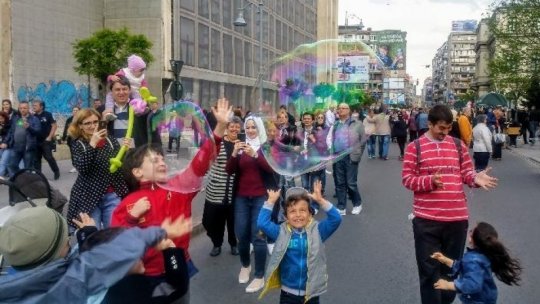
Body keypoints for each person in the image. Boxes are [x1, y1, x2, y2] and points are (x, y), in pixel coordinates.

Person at [111, 98, 231, 303]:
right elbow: (118, 244)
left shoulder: (178, 187)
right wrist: (131, 218)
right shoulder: (128, 205)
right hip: (146, 276)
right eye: (153, 159)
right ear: (137, 172)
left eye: (161, 158)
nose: (161, 161)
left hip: (179, 265)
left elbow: (201, 162)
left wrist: (219, 127)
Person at [402, 104, 498, 304]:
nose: (445, 133)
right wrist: (429, 182)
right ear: (430, 124)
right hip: (426, 221)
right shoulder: (415, 147)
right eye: (441, 128)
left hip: (456, 219)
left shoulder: (457, 145)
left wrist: (475, 179)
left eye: (448, 128)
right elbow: (407, 179)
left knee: (450, 271)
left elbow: (466, 173)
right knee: (429, 272)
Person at [0, 207, 190, 303]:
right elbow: (174, 288)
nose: (69, 241)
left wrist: (89, 234)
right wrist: (171, 251)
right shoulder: (127, 290)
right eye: (65, 241)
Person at [257, 181, 342, 304]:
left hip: (312, 293)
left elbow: (336, 219)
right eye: (292, 211)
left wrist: (321, 201)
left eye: (302, 210)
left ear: (310, 213)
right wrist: (270, 202)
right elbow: (262, 223)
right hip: (288, 293)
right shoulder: (281, 232)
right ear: (286, 216)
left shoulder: (318, 231)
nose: (297, 215)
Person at [226, 115, 274, 293]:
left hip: (261, 196)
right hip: (241, 197)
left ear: (259, 128)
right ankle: (245, 265)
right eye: (248, 127)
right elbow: (229, 171)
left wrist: (255, 155)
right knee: (241, 235)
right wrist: (233, 153)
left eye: (254, 127)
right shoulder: (239, 145)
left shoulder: (266, 146)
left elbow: (271, 168)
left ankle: (259, 276)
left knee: (258, 237)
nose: (250, 130)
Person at [65, 108, 130, 231]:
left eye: (95, 122)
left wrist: (125, 150)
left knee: (113, 232)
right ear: (80, 126)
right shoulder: (79, 144)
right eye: (87, 123)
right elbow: (82, 167)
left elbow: (119, 164)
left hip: (111, 194)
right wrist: (92, 144)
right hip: (89, 196)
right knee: (94, 234)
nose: (92, 126)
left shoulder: (110, 140)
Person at [431, 222, 522, 304]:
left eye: (471, 232)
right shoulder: (483, 255)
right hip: (486, 298)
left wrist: (448, 285)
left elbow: (473, 285)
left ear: (473, 239)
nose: (469, 232)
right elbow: (464, 267)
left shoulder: (472, 259)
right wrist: (446, 260)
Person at [202, 116, 243, 257]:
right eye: (232, 125)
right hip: (215, 189)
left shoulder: (242, 145)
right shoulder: (218, 143)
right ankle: (216, 243)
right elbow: (207, 158)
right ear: (227, 127)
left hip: (235, 191)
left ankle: (233, 243)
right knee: (212, 221)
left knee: (233, 221)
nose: (234, 128)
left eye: (237, 126)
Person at [327, 103, 365, 216]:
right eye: (339, 108)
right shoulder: (336, 124)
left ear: (349, 111)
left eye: (344, 108)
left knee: (351, 183)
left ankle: (357, 203)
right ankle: (341, 206)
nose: (341, 110)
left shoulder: (357, 124)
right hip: (338, 157)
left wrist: (357, 155)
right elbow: (332, 140)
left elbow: (363, 141)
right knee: (339, 183)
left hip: (350, 157)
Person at [105, 75, 149, 147]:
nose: (121, 92)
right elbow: (98, 133)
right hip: (113, 154)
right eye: (117, 89)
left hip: (136, 154)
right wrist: (103, 121)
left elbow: (152, 131)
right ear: (111, 92)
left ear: (130, 90)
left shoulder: (138, 108)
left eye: (124, 89)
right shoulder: (105, 110)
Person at [103, 54, 147, 119]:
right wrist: (111, 77)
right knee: (109, 96)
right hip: (126, 89)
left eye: (143, 70)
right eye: (140, 70)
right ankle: (109, 111)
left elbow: (144, 86)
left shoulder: (141, 77)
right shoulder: (124, 72)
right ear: (133, 70)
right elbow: (113, 79)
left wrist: (145, 92)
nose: (142, 73)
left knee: (138, 97)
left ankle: (139, 109)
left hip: (133, 91)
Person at [6, 101, 41, 176]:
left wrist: (29, 127)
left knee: (28, 168)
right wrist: (6, 142)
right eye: (21, 108)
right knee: (11, 165)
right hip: (16, 147)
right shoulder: (16, 118)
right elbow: (11, 131)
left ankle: (27, 184)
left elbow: (38, 132)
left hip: (28, 148)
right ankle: (17, 181)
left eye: (25, 108)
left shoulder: (34, 119)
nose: (22, 110)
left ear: (28, 108)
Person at [62, 106, 80, 173]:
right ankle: (75, 166)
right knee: (73, 153)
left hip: (79, 138)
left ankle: (80, 166)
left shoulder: (81, 119)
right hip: (71, 139)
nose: (75, 112)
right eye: (74, 110)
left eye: (76, 110)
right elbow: (65, 129)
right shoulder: (69, 119)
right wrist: (63, 138)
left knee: (79, 152)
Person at [0, 111, 11, 177]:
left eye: (1, 118)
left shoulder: (9, 126)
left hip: (8, 147)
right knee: (5, 163)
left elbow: (10, 137)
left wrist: (6, 144)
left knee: (3, 162)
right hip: (1, 147)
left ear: (5, 118)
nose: (0, 120)